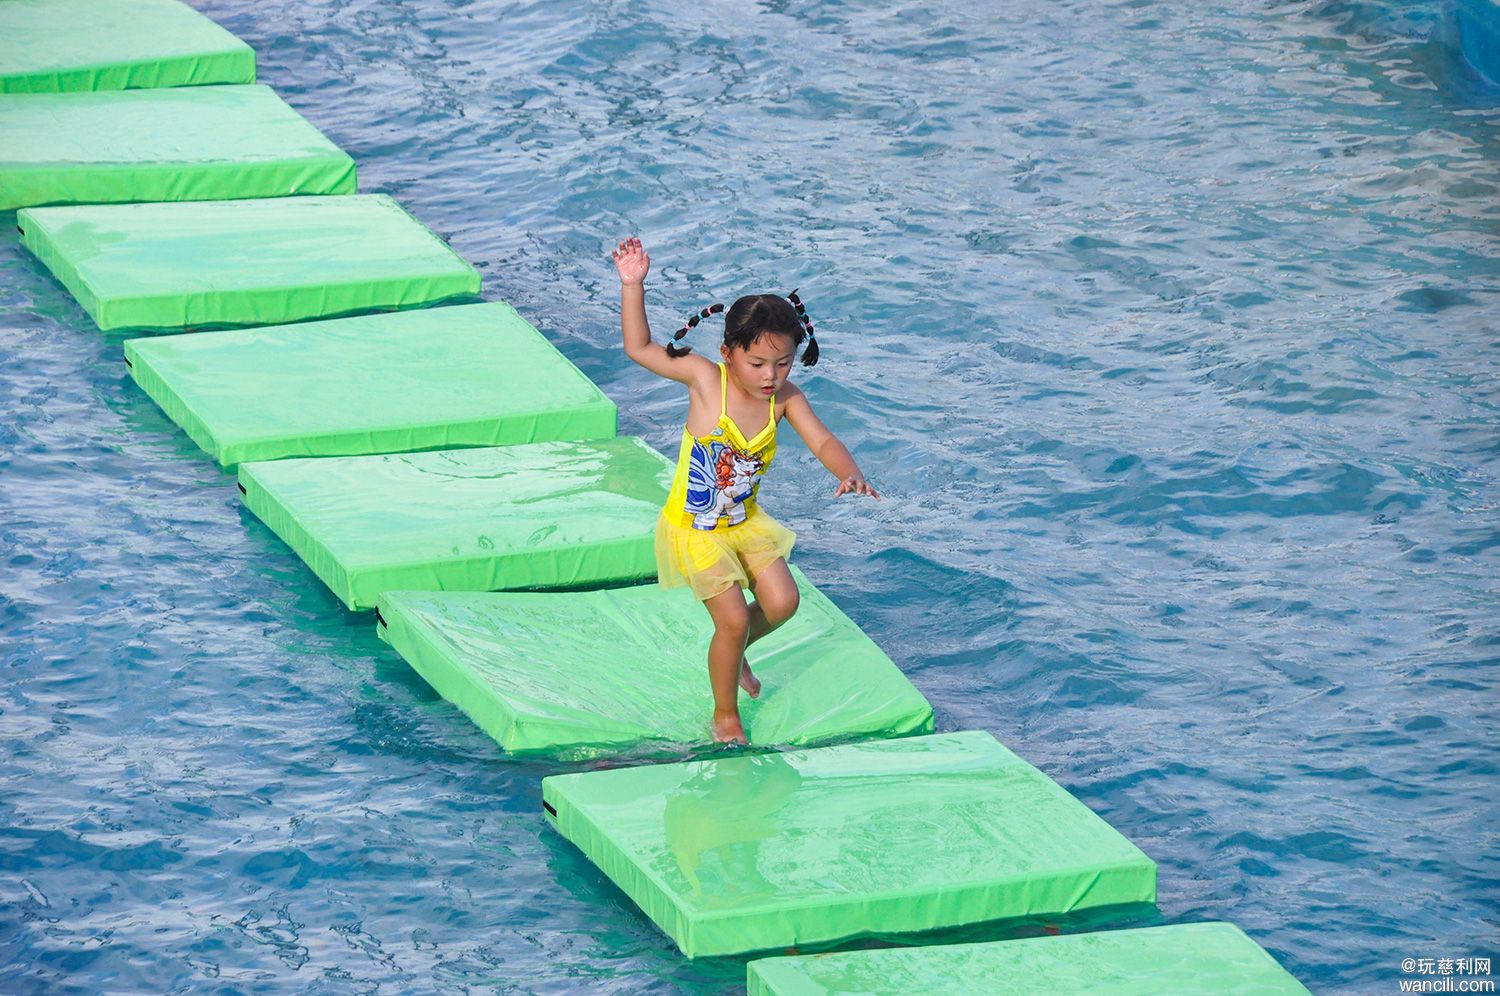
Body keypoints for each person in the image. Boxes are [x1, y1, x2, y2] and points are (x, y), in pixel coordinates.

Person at [612, 237, 879, 745]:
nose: (771, 377)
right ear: (728, 352)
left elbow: (824, 440)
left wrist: (849, 472)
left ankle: (731, 655)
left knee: (782, 603)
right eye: (757, 364)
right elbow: (639, 348)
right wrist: (633, 285)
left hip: (745, 524)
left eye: (783, 364)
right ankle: (725, 715)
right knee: (732, 619)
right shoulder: (704, 380)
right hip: (695, 531)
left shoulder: (785, 399)